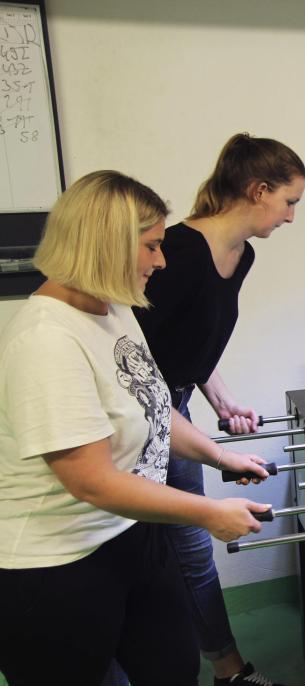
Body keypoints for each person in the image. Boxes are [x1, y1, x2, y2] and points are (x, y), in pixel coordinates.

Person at [0, 171, 271, 685]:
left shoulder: (114, 310)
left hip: (129, 534)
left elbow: (152, 405)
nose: (161, 261)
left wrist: (218, 456)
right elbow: (90, 479)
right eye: (151, 246)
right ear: (106, 245)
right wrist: (210, 513)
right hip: (55, 564)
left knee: (172, 666)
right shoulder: (45, 340)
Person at [129, 133, 305, 686]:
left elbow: (191, 343)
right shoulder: (176, 253)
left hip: (172, 408)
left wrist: (224, 401)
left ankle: (228, 670)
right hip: (136, 416)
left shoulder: (242, 254)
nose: (291, 217)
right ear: (258, 190)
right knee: (173, 551)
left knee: (186, 551)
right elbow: (137, 361)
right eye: (289, 201)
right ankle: (221, 669)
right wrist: (205, 447)